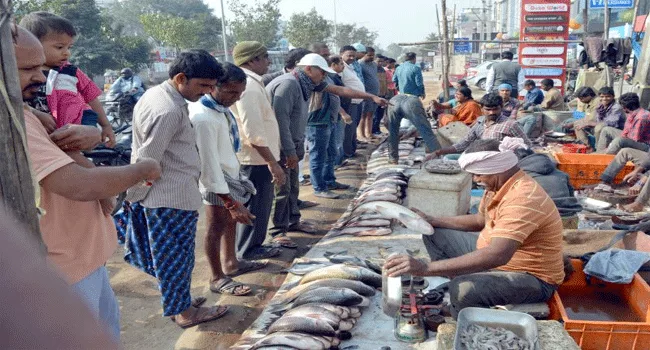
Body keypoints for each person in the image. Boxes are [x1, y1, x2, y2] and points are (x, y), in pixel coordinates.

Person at [15, 24, 161, 339]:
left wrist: (93, 131)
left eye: (41, 67)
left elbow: (69, 145)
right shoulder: (16, 122)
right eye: (28, 69)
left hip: (82, 260)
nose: (41, 77)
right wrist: (142, 169)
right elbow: (79, 184)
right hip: (61, 271)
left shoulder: (25, 109)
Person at [384, 139, 564, 317]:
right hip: (494, 254)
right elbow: (479, 220)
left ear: (497, 169)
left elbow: (498, 255)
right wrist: (432, 220)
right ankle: (458, 277)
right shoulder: (499, 184)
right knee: (431, 231)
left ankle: (460, 304)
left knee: (462, 289)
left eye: (478, 175)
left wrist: (424, 268)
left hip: (531, 277)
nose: (476, 180)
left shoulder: (523, 198)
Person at [118, 50, 228, 328]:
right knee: (174, 259)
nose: (208, 92)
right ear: (181, 78)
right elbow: (147, 161)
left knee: (176, 259)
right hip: (168, 197)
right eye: (203, 85)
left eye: (212, 86)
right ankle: (184, 313)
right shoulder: (168, 110)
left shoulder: (160, 95)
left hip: (169, 194)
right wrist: (133, 197)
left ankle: (182, 302)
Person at [266, 53, 388, 246]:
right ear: (309, 69)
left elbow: (340, 90)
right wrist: (289, 150)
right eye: (322, 72)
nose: (324, 76)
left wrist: (371, 96)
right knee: (281, 189)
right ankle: (278, 231)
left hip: (294, 142)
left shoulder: (308, 83)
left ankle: (293, 221)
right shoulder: (289, 84)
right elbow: (281, 122)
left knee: (292, 188)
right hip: (282, 145)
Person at [189, 63, 263, 297]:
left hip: (229, 172)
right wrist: (229, 200)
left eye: (239, 93)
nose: (236, 98)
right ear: (213, 87)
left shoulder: (220, 109)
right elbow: (208, 165)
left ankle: (231, 262)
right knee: (215, 225)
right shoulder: (203, 118)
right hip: (215, 179)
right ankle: (216, 276)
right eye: (231, 92)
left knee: (230, 222)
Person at [20, 11, 115, 147]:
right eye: (59, 47)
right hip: (45, 133)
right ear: (33, 43)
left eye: (69, 47)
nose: (67, 52)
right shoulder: (23, 74)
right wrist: (36, 114)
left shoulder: (70, 71)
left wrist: (105, 125)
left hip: (80, 124)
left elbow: (91, 97)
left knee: (79, 155)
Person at [230, 41, 286, 261]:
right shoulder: (249, 86)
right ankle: (249, 250)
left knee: (260, 205)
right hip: (255, 158)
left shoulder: (253, 83)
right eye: (264, 57)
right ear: (252, 60)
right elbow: (252, 131)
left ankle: (252, 246)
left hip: (257, 156)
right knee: (256, 205)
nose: (268, 62)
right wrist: (272, 162)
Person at [434, 93, 531, 157]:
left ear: (501, 107)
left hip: (499, 162)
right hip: (480, 156)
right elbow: (465, 142)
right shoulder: (480, 122)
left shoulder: (510, 124)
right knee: (449, 158)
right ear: (482, 109)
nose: (491, 112)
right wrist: (439, 152)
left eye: (495, 109)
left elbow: (527, 145)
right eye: (488, 110)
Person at [505, 139, 583, 217]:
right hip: (568, 214)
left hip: (541, 217)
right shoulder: (561, 173)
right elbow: (571, 196)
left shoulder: (521, 177)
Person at [340, 45, 366, 159]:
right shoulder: (341, 68)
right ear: (341, 54)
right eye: (349, 55)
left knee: (353, 128)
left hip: (357, 102)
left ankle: (352, 150)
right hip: (349, 103)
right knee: (348, 130)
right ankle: (347, 154)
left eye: (353, 56)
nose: (351, 58)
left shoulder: (350, 66)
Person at [593, 86, 626, 152]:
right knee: (579, 123)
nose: (604, 99)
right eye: (602, 97)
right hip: (604, 128)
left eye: (608, 96)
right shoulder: (600, 106)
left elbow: (611, 123)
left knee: (600, 127)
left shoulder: (616, 107)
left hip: (618, 130)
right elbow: (597, 119)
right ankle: (588, 146)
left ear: (613, 97)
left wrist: (592, 123)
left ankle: (598, 150)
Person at [358, 47, 380, 142]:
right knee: (363, 115)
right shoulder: (359, 64)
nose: (371, 57)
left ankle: (369, 133)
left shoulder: (374, 65)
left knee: (371, 114)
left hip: (375, 93)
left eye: (373, 55)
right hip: (365, 93)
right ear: (364, 54)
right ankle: (361, 135)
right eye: (369, 55)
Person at [372, 54, 389, 135]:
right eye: (378, 61)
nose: (380, 63)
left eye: (382, 61)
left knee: (380, 114)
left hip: (383, 94)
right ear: (374, 60)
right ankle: (373, 130)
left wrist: (386, 92)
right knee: (374, 114)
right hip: (375, 95)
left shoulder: (382, 69)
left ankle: (377, 129)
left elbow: (384, 82)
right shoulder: (372, 69)